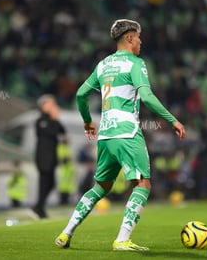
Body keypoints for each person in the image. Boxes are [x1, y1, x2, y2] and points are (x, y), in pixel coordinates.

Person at [55, 19, 186, 251]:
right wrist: (172, 120)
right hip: (127, 131)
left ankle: (66, 233)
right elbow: (146, 97)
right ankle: (122, 239)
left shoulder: (103, 64)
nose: (140, 41)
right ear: (129, 38)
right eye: (138, 37)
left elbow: (80, 94)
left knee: (101, 187)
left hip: (105, 135)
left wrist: (87, 122)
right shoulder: (136, 63)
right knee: (142, 184)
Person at [32, 94, 66, 218]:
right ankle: (38, 208)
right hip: (43, 157)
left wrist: (55, 118)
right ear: (43, 106)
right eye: (51, 104)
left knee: (50, 183)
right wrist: (54, 118)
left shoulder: (52, 120)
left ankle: (39, 206)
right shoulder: (41, 120)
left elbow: (62, 131)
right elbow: (51, 132)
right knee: (44, 183)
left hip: (51, 157)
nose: (53, 107)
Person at [56, 137, 76, 205]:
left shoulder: (67, 147)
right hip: (64, 169)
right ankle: (62, 201)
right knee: (62, 186)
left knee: (68, 186)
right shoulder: (61, 147)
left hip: (68, 169)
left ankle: (66, 201)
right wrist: (67, 159)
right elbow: (62, 158)